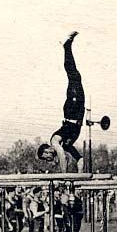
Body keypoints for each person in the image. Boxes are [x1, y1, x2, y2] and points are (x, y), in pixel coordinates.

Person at [38, 32, 85, 173]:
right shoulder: (65, 145)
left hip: (72, 110)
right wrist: (79, 177)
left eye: (46, 158)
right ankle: (67, 47)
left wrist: (64, 176)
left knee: (73, 75)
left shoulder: (55, 141)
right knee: (75, 76)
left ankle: (66, 46)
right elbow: (80, 159)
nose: (49, 159)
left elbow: (62, 156)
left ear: (46, 151)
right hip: (78, 112)